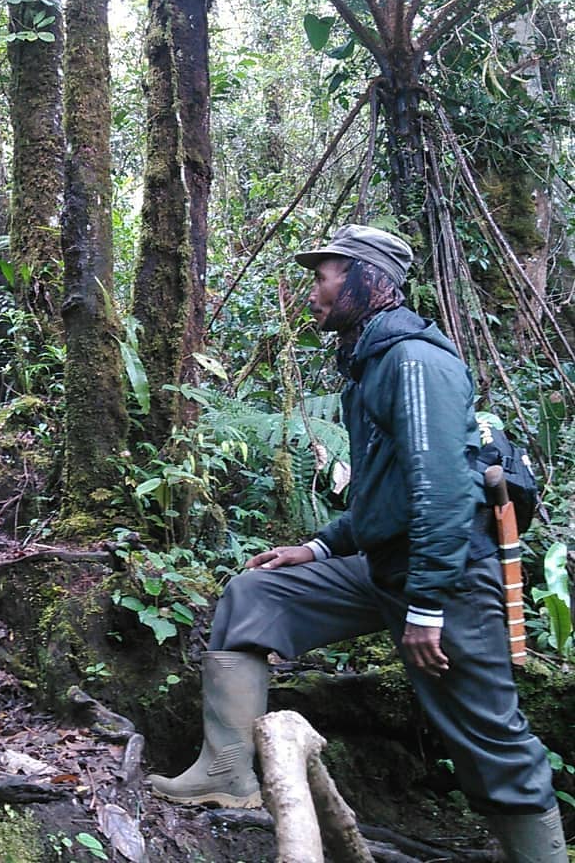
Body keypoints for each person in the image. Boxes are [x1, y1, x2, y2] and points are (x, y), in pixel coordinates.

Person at [148, 225, 566, 863]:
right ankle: (226, 775)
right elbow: (384, 497)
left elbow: (445, 493)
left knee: (487, 735)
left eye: (324, 276)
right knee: (257, 594)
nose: (313, 292)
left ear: (368, 279)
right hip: (385, 567)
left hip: (448, 579)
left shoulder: (414, 361)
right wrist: (316, 550)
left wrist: (426, 606)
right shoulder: (369, 361)